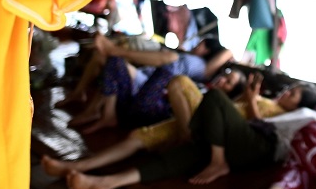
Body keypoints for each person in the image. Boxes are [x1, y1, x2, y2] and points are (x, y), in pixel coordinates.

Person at [42, 72, 316, 189]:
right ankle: (94, 177)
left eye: (295, 94)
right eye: (290, 89)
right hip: (211, 130)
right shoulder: (266, 102)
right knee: (161, 150)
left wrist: (251, 101)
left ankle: (102, 180)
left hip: (223, 138)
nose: (287, 93)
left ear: (301, 105)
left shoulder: (287, 117)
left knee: (206, 100)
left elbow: (260, 130)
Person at [67, 31, 233, 133]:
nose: (197, 45)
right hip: (137, 92)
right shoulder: (189, 57)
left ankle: (113, 49)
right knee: (112, 59)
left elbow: (229, 51)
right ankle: (105, 114)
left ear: (207, 50)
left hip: (151, 100)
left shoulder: (203, 68)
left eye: (201, 44)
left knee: (171, 59)